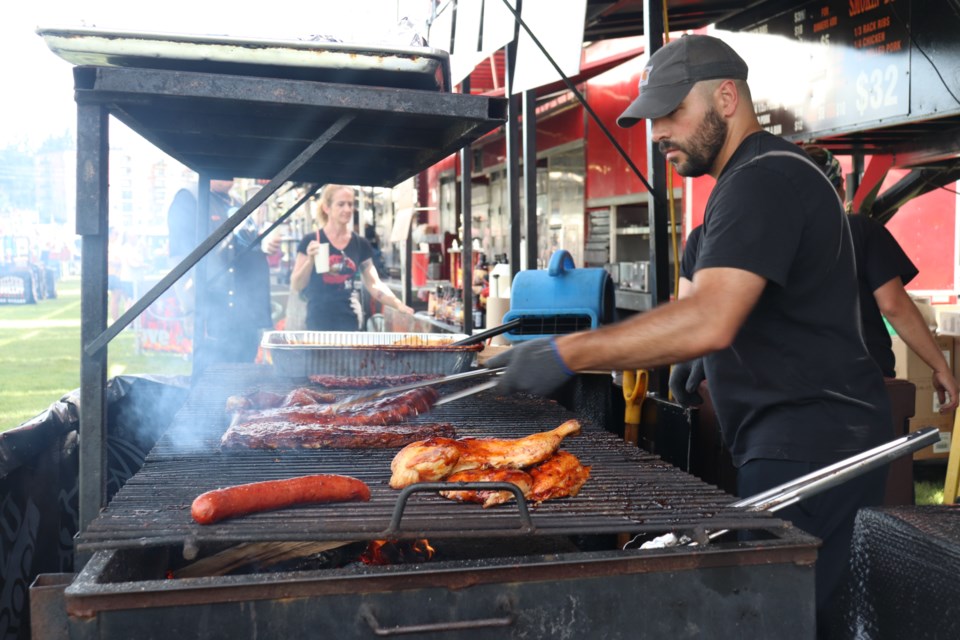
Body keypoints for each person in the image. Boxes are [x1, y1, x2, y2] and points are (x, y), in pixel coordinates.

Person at [487, 34, 891, 636]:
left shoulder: (764, 179)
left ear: (726, 98)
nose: (657, 133)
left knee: (777, 622)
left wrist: (561, 353)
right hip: (799, 437)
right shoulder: (757, 176)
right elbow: (726, 312)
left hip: (813, 443)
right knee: (799, 617)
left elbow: (708, 317)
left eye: (671, 113)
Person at [803, 145, 958, 409]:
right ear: (840, 188)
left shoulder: (776, 243)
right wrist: (940, 366)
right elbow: (893, 305)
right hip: (862, 388)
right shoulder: (860, 231)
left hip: (797, 389)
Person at [167, 179, 279, 374]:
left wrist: (264, 245)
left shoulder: (236, 203)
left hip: (245, 319)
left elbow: (243, 248)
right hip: (212, 318)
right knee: (212, 379)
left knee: (244, 381)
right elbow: (179, 257)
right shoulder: (189, 197)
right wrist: (190, 308)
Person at [290, 184, 413, 330]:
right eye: (341, 204)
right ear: (327, 208)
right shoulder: (311, 240)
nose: (347, 209)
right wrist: (310, 261)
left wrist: (397, 304)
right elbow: (296, 285)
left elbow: (374, 284)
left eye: (350, 204)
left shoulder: (360, 243)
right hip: (318, 319)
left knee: (349, 354)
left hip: (349, 319)